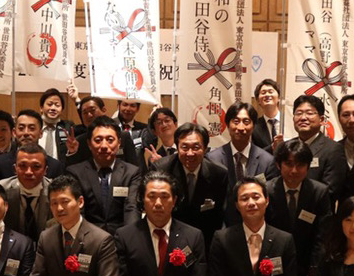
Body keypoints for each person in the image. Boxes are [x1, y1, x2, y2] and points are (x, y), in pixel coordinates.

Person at [265, 139, 333, 276]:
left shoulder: (319, 192)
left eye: (300, 165)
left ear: (308, 166)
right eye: (288, 164)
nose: (294, 170)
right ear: (279, 165)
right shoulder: (266, 190)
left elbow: (322, 240)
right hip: (271, 272)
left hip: (304, 275)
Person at [155, 122, 229, 250]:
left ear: (205, 149)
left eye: (196, 147)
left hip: (205, 238)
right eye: (184, 147)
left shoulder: (218, 173)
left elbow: (219, 215)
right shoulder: (162, 170)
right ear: (177, 148)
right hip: (170, 236)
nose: (190, 153)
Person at [66, 116, 142, 234]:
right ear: (89, 144)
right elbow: (78, 212)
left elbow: (131, 209)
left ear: (119, 143)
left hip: (121, 238)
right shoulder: (76, 173)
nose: (104, 146)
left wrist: (128, 239)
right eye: (98, 140)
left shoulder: (131, 173)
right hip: (88, 238)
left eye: (110, 140)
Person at [209, 102, 276, 220]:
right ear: (227, 125)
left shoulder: (267, 161)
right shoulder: (212, 159)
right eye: (236, 121)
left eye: (246, 122)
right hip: (222, 225)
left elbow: (269, 199)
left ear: (253, 126)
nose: (240, 127)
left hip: (256, 223)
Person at [288, 94, 347, 198]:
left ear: (321, 119)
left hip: (318, 207)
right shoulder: (287, 147)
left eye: (309, 113)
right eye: (299, 113)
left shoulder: (333, 149)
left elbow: (331, 191)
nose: (303, 118)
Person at [2, 144, 56, 242]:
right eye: (23, 166)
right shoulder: (1, 190)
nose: (29, 172)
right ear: (15, 169)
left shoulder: (55, 193)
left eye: (36, 167)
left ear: (45, 170)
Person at [0, 109, 65, 180]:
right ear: (14, 132)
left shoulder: (54, 166)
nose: (26, 133)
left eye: (32, 128)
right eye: (21, 128)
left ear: (40, 133)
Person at [68, 95, 138, 168]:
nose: (89, 115)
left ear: (104, 110)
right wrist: (72, 152)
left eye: (92, 110)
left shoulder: (123, 136)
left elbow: (133, 167)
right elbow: (72, 170)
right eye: (85, 112)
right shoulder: (79, 141)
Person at [38, 87, 76, 162]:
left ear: (61, 110)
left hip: (61, 168)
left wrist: (77, 100)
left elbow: (88, 126)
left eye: (57, 105)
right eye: (50, 104)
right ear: (41, 108)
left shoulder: (67, 127)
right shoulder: (35, 126)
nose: (53, 108)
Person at [251, 78, 286, 151]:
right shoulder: (254, 127)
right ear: (258, 100)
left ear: (279, 98)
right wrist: (272, 147)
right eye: (263, 93)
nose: (267, 95)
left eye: (270, 92)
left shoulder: (290, 121)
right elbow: (253, 153)